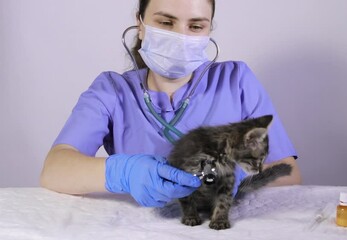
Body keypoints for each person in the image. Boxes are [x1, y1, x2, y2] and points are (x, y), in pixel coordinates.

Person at [40, 0, 301, 207]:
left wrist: (239, 177)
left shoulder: (237, 81)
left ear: (209, 30)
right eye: (166, 22)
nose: (181, 37)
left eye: (196, 26)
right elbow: (54, 170)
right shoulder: (112, 91)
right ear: (140, 24)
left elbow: (288, 172)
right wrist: (124, 172)